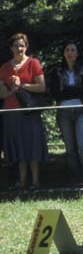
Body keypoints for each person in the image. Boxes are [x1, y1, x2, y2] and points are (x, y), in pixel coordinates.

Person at [0, 33, 49, 190]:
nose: (19, 48)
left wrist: (22, 85)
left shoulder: (33, 63)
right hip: (11, 112)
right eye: (15, 45)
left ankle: (35, 182)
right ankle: (22, 182)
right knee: (19, 147)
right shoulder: (4, 67)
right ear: (10, 48)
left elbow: (41, 87)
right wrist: (12, 89)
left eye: (22, 45)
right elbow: (2, 93)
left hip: (29, 111)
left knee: (32, 146)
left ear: (26, 47)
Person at [48, 42, 83, 187]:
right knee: (70, 149)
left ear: (77, 53)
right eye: (67, 50)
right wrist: (75, 90)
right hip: (63, 112)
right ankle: (77, 180)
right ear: (64, 53)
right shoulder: (56, 71)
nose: (70, 53)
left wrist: (67, 91)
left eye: (73, 50)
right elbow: (55, 92)